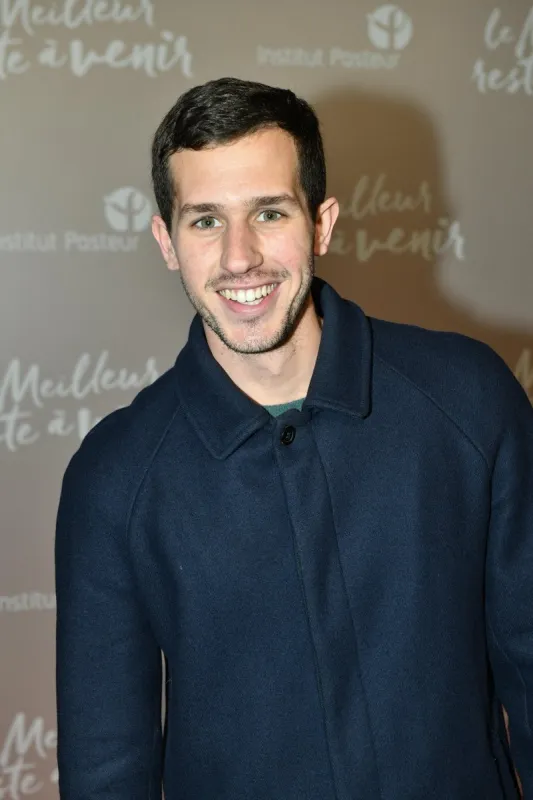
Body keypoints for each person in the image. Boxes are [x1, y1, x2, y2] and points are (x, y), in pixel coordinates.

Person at [55, 77, 532, 799]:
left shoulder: (469, 400)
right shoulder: (114, 476)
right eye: (205, 221)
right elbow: (105, 767)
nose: (238, 256)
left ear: (321, 224)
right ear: (166, 241)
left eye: (269, 213)